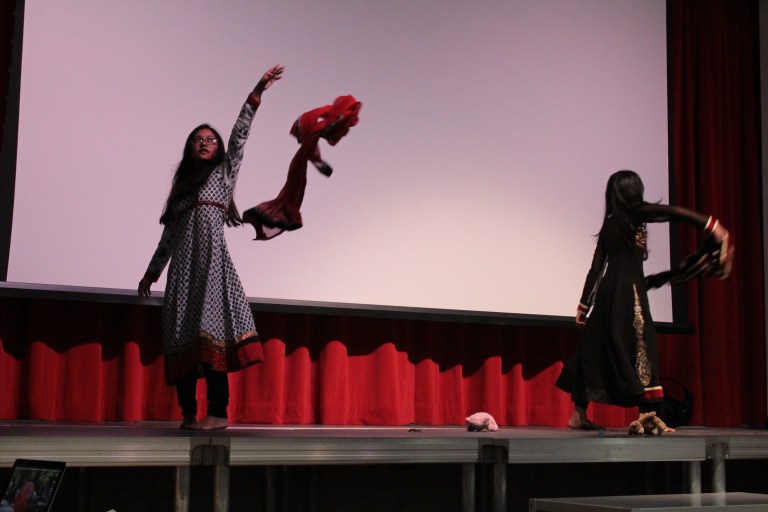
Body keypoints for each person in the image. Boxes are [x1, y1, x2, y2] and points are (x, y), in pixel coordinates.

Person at [138, 64, 285, 430]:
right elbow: (168, 239)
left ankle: (218, 412)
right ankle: (188, 413)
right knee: (182, 338)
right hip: (182, 274)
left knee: (211, 338)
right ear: (189, 148)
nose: (205, 143)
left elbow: (239, 137)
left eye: (210, 140)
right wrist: (151, 273)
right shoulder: (181, 193)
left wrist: (257, 92)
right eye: (198, 140)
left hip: (212, 269)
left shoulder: (223, 175)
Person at [555, 169, 732, 431]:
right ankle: (647, 415)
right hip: (630, 292)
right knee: (641, 344)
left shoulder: (610, 224)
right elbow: (672, 212)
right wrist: (712, 225)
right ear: (633, 191)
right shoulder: (635, 213)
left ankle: (578, 414)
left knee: (591, 349)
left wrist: (584, 305)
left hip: (607, 294)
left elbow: (596, 269)